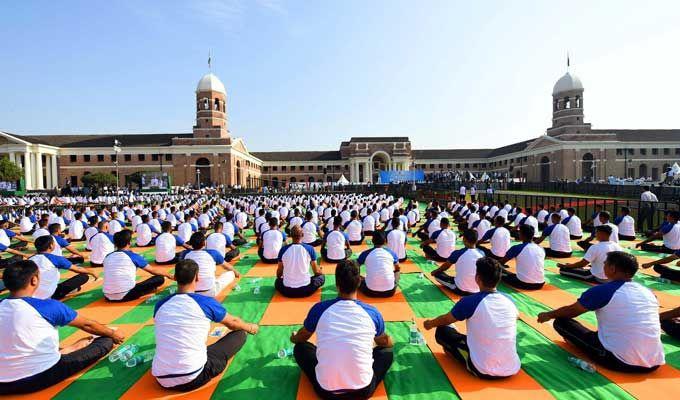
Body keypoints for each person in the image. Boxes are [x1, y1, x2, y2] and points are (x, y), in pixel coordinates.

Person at [0, 261, 124, 394]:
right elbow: (87, 324)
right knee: (105, 340)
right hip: (37, 377)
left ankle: (69, 349)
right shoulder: (46, 306)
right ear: (34, 280)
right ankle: (70, 350)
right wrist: (112, 334)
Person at [537, 251, 665, 373]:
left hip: (618, 361)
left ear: (612, 269)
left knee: (561, 322)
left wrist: (549, 315)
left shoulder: (604, 290)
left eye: (605, 263)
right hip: (654, 362)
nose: (603, 266)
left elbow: (571, 311)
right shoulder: (648, 292)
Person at [290, 260, 393, 399]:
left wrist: (294, 337)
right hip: (362, 391)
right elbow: (386, 343)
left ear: (337, 285)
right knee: (386, 352)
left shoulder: (319, 309)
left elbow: (301, 337)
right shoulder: (372, 312)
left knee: (300, 348)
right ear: (359, 283)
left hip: (326, 392)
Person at [151, 259, 258, 391]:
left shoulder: (160, 305)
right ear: (197, 277)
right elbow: (233, 324)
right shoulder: (204, 302)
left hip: (161, 378)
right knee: (240, 334)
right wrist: (250, 327)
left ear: (175, 277)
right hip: (193, 377)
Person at [423, 257, 520, 379]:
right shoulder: (510, 300)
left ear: (477, 278)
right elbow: (515, 317)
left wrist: (430, 324)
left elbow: (446, 320)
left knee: (443, 330)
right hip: (512, 367)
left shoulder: (470, 301)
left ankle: (455, 353)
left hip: (482, 369)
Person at [103, 230, 173, 302]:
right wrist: (169, 275)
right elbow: (153, 271)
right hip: (127, 295)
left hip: (107, 296)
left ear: (115, 243)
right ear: (129, 243)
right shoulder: (133, 256)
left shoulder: (107, 256)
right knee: (159, 278)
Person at [29, 236, 97, 300]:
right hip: (49, 295)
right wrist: (92, 272)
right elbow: (77, 269)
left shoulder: (30, 259)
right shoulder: (55, 259)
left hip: (29, 295)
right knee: (84, 276)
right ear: (51, 246)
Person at [181, 232, 239, 297]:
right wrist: (236, 272)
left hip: (189, 291)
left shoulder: (185, 254)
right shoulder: (213, 253)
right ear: (204, 243)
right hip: (209, 291)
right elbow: (227, 266)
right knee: (231, 273)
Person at [558, 225, 623, 283]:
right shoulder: (618, 246)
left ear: (602, 233)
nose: (595, 234)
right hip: (613, 277)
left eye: (596, 232)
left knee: (563, 270)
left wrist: (566, 266)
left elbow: (582, 263)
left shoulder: (595, 247)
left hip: (597, 277)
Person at [275, 226, 325, 298]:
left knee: (277, 281)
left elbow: (279, 274)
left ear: (291, 235)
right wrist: (321, 271)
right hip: (305, 289)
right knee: (321, 277)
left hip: (287, 290)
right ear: (302, 235)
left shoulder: (283, 250)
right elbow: (316, 271)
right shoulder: (310, 249)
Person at [431, 229, 484, 295]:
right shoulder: (482, 254)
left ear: (464, 239)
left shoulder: (458, 253)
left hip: (460, 289)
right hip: (477, 290)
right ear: (476, 240)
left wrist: (435, 271)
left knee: (437, 274)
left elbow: (445, 267)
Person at [498, 225, 545, 290]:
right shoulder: (541, 248)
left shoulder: (517, 248)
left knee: (497, 273)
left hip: (524, 284)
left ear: (522, 235)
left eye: (519, 232)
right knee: (508, 273)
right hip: (540, 283)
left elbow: (501, 262)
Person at [357, 231, 400, 298]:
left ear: (372, 241)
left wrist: (359, 276)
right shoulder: (391, 253)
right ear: (385, 241)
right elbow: (397, 268)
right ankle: (392, 283)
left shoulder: (365, 253)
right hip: (390, 292)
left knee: (356, 278)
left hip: (369, 291)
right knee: (397, 272)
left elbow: (356, 266)